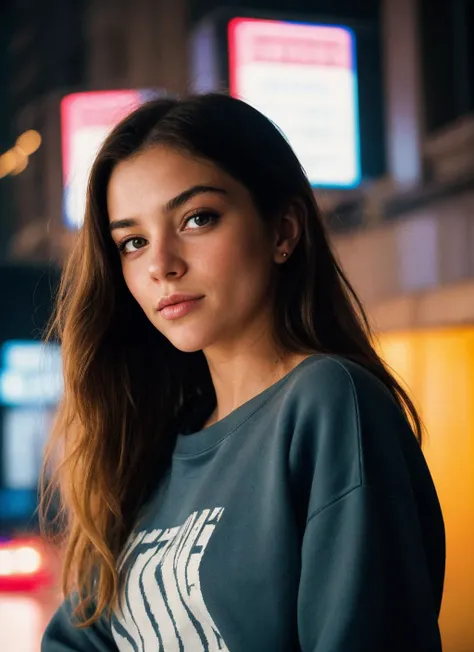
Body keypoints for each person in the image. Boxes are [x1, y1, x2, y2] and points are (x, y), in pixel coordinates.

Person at [41, 93, 445, 652]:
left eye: (197, 219)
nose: (161, 264)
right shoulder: (150, 441)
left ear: (282, 232)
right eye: (132, 242)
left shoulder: (328, 404)